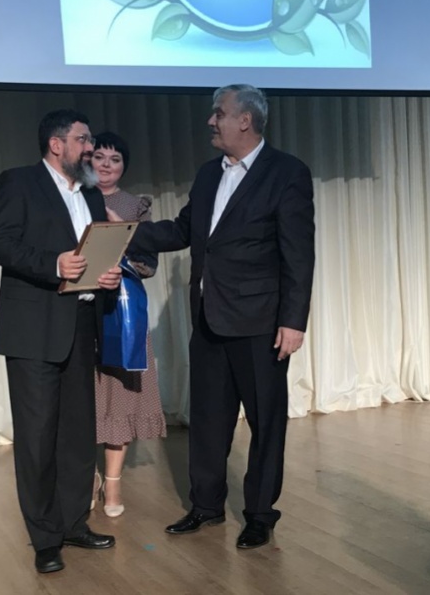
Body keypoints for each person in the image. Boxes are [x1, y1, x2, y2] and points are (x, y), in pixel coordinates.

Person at [127, 84, 315, 550]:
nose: (211, 121)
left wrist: (294, 321)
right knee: (208, 420)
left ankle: (260, 514)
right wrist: (122, 234)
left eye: (219, 113)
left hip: (261, 323)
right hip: (210, 318)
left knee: (266, 422)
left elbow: (298, 254)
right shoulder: (210, 173)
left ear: (245, 120)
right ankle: (206, 506)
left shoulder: (286, 172)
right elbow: (183, 230)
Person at [0, 109, 122, 574]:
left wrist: (106, 275)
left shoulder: (91, 194)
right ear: (56, 144)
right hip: (34, 328)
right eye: (83, 140)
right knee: (38, 438)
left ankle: (74, 523)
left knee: (78, 435)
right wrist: (52, 264)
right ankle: (45, 538)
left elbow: (96, 255)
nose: (91, 148)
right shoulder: (19, 182)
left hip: (82, 324)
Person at [89, 132, 166, 517]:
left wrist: (121, 236)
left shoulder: (134, 205)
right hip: (79, 308)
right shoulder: (74, 198)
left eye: (115, 159)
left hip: (120, 311)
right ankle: (87, 477)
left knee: (118, 394)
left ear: (124, 166)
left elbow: (147, 264)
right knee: (82, 395)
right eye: (99, 156)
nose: (106, 164)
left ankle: (114, 482)